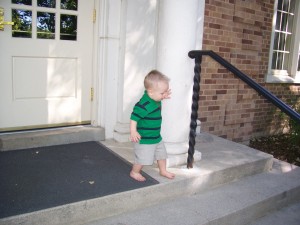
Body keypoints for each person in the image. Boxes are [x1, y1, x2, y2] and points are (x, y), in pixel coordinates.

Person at [129, 70, 175, 182]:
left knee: (161, 155)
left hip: (156, 136)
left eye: (165, 92)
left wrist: (163, 95)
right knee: (142, 158)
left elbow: (159, 96)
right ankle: (134, 172)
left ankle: (163, 170)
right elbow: (134, 117)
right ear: (150, 91)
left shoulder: (155, 98)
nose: (164, 95)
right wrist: (133, 131)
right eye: (162, 93)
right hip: (145, 138)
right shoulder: (144, 104)